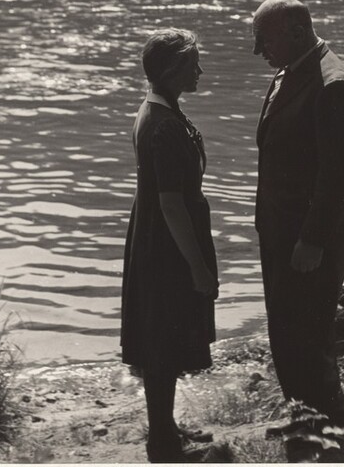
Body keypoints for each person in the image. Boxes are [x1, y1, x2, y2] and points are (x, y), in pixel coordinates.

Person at [252, 0, 344, 434]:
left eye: (264, 40)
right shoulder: (291, 70)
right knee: (285, 330)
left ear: (297, 33)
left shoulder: (333, 84)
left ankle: (335, 425)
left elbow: (340, 174)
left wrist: (313, 239)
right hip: (281, 229)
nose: (258, 51)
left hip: (308, 238)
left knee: (310, 335)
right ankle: (303, 418)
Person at [121, 28, 220, 462]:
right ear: (173, 70)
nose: (199, 70)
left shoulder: (160, 110)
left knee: (166, 336)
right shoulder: (162, 126)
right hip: (167, 247)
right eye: (192, 63)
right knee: (162, 343)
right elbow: (171, 204)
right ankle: (162, 442)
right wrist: (197, 266)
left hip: (158, 240)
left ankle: (167, 428)